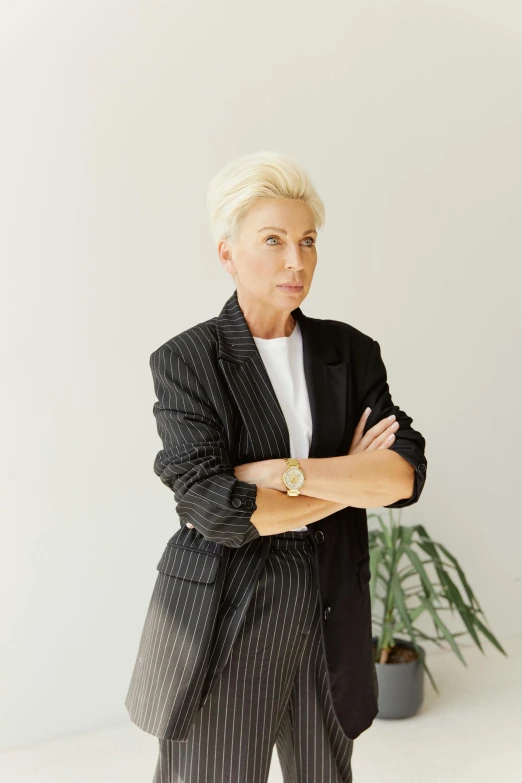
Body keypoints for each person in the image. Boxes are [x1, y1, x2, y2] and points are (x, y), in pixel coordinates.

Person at [124, 150, 428, 783]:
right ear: (227, 252)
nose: (297, 260)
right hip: (228, 610)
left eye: (308, 241)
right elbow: (215, 508)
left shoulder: (349, 351)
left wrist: (283, 473)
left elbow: (400, 477)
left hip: (328, 603)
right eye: (274, 240)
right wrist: (350, 477)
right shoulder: (188, 361)